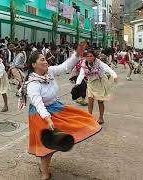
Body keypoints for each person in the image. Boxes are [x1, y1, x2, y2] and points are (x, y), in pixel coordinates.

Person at [20, 43, 101, 180]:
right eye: (42, 60)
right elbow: (38, 104)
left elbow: (65, 67)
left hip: (56, 108)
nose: (45, 61)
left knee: (81, 120)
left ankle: (44, 168)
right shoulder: (32, 83)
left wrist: (76, 55)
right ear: (34, 65)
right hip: (40, 115)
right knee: (45, 146)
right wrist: (47, 119)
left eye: (45, 59)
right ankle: (44, 174)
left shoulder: (49, 71)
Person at [76, 50, 118, 124]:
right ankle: (89, 117)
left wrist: (114, 76)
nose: (89, 58)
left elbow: (107, 68)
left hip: (100, 82)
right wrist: (77, 83)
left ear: (94, 57)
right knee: (90, 100)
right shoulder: (84, 64)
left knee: (100, 102)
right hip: (91, 83)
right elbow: (81, 74)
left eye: (91, 56)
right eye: (88, 56)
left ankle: (101, 118)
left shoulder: (99, 63)